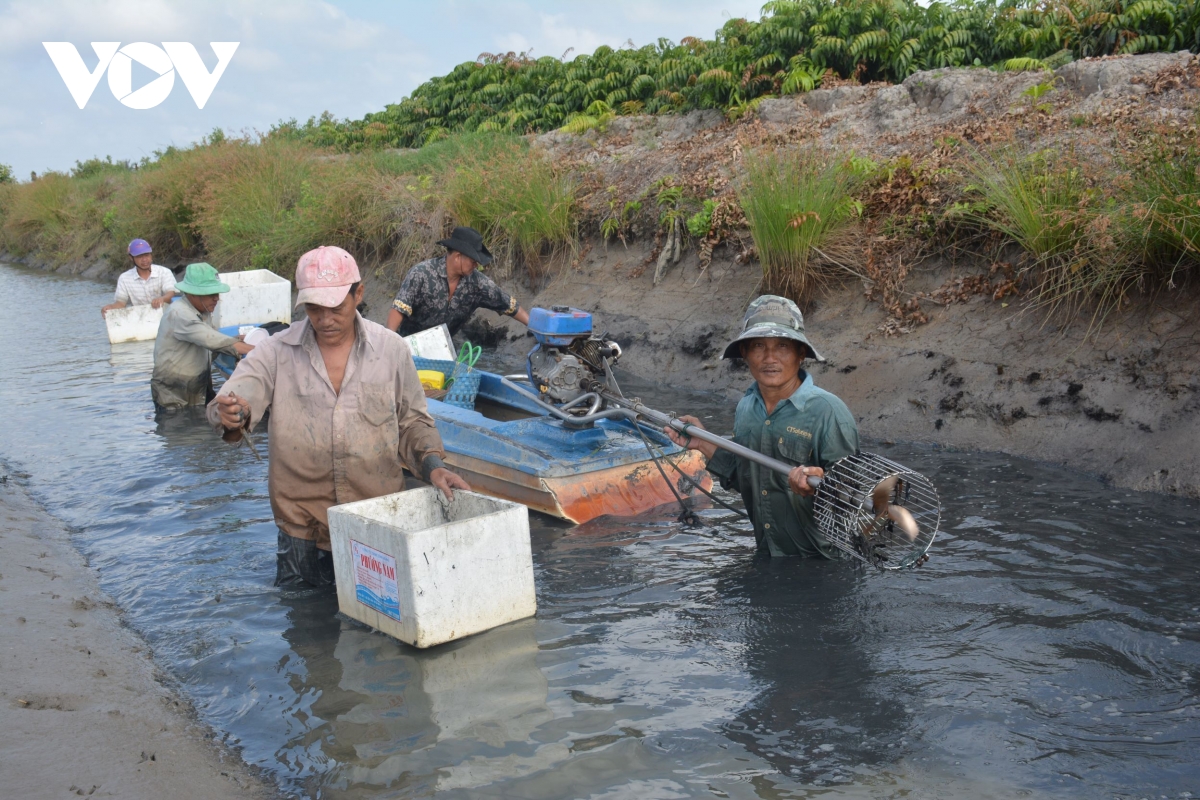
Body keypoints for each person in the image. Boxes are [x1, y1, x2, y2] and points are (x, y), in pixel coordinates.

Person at [208, 246, 471, 587]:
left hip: (375, 521)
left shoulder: (391, 350)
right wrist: (232, 414)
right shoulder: (275, 351)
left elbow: (413, 423)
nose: (325, 319)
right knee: (305, 627)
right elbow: (231, 400)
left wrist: (434, 466)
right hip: (301, 529)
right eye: (314, 309)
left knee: (377, 624)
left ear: (358, 294)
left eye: (335, 307)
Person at [664, 295, 859, 558]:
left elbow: (855, 501)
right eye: (758, 346)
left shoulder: (829, 412)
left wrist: (819, 485)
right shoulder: (747, 407)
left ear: (800, 353)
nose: (769, 358)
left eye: (782, 346)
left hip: (824, 564)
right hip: (768, 555)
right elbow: (746, 480)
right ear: (744, 352)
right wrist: (705, 443)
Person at [385, 226, 531, 336]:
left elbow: (508, 304)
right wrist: (390, 344)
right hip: (409, 347)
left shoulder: (477, 284)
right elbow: (399, 310)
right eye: (473, 261)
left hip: (444, 350)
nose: (476, 265)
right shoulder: (421, 274)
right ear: (457, 257)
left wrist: (535, 327)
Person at [152, 262, 253, 411]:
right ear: (193, 294)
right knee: (184, 429)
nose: (216, 298)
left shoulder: (202, 310)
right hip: (174, 392)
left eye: (217, 294)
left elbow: (212, 336)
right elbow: (217, 342)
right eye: (211, 294)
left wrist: (239, 339)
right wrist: (266, 350)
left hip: (197, 385)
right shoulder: (181, 314)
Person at [101, 238, 177, 317]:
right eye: (139, 257)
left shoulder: (164, 272)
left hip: (166, 316)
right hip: (141, 319)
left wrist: (162, 299)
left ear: (151, 255)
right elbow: (121, 303)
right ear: (131, 258)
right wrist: (110, 308)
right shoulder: (124, 278)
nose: (144, 260)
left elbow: (171, 293)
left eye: (147, 255)